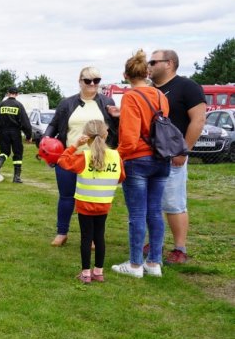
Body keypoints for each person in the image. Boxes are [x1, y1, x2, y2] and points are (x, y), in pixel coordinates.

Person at [44, 67, 119, 246]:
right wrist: (46, 140)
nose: (92, 84)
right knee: (66, 196)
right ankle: (62, 232)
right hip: (71, 156)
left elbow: (115, 128)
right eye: (88, 80)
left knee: (92, 200)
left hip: (96, 160)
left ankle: (92, 237)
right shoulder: (67, 103)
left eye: (96, 80)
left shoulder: (107, 102)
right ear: (80, 81)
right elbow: (54, 125)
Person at [112, 50, 170, 278]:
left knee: (137, 214)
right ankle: (154, 262)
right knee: (155, 211)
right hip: (161, 158)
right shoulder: (161, 96)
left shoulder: (130, 97)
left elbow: (130, 137)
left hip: (138, 159)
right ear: (147, 73)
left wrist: (117, 156)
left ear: (125, 75)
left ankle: (135, 264)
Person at [148, 49, 207, 264]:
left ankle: (179, 248)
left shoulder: (187, 87)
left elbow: (198, 120)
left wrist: (184, 150)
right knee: (152, 203)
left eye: (153, 62)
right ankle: (155, 242)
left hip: (174, 155)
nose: (149, 66)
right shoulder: (150, 90)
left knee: (174, 203)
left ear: (169, 63)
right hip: (150, 155)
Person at [57, 119, 125, 283]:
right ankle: (99, 272)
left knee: (86, 238)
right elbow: (121, 177)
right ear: (106, 134)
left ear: (86, 137)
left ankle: (86, 273)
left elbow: (62, 161)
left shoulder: (84, 157)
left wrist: (75, 145)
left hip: (85, 204)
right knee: (99, 236)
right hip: (104, 203)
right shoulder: (116, 156)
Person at [0, 86, 33, 183]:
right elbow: (25, 122)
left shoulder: (1, 105)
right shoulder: (19, 105)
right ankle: (16, 177)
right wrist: (28, 136)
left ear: (8, 93)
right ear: (17, 94)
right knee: (17, 154)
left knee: (4, 152)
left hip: (3, 132)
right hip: (15, 132)